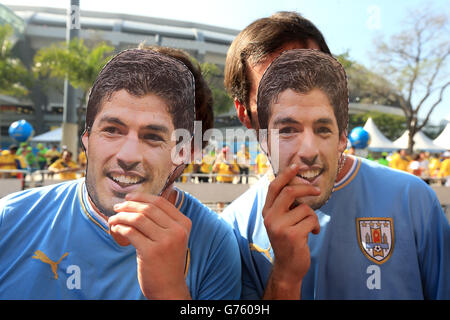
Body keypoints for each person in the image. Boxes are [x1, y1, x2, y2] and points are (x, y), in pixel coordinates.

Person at [0, 48, 241, 299]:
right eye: (112, 130)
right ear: (87, 137)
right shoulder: (9, 220)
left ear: (188, 153)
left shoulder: (215, 245)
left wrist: (169, 291)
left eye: (152, 137)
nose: (127, 156)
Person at [222, 44, 449, 298]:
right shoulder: (233, 229)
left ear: (343, 137)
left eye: (322, 129)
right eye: (287, 130)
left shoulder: (414, 200)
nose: (308, 150)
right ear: (262, 138)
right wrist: (284, 277)